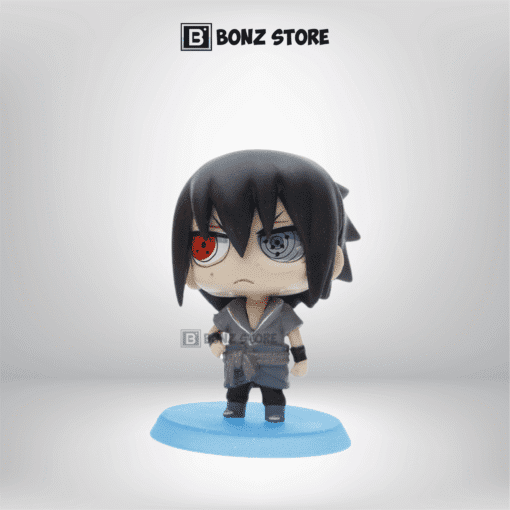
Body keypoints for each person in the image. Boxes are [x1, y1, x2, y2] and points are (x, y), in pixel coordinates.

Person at [172, 149, 359, 422]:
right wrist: (214, 344)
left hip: (272, 364)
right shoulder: (232, 312)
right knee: (236, 392)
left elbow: (295, 337)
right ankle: (235, 408)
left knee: (273, 393)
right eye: (208, 245)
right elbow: (213, 333)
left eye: (279, 243)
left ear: (333, 261)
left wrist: (301, 359)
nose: (244, 261)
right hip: (237, 363)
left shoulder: (281, 313)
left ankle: (273, 412)